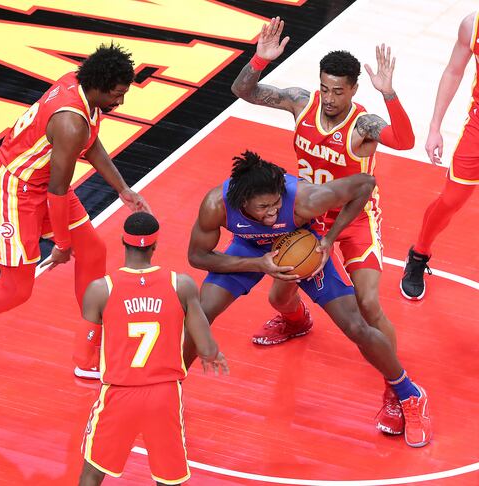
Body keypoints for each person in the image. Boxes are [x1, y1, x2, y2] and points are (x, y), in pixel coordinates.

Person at [0, 43, 150, 380]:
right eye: (118, 94)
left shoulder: (79, 88)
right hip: (15, 189)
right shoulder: (69, 123)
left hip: (41, 181)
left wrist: (123, 189)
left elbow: (90, 144)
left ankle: (90, 350)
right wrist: (61, 244)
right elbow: (57, 193)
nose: (121, 102)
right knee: (15, 289)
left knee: (94, 250)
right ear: (99, 85)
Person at [231, 16, 416, 436]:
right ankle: (297, 323)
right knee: (279, 296)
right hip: (307, 217)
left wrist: (390, 95)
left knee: (368, 306)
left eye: (339, 91)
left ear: (353, 89)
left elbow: (404, 142)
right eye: (325, 88)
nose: (330, 98)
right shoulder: (302, 103)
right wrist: (260, 60)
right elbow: (243, 91)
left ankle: (396, 387)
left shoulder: (364, 126)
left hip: (353, 221)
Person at [186, 150, 431, 448]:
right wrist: (259, 264)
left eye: (276, 203)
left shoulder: (305, 198)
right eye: (263, 207)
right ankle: (168, 388)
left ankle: (408, 393)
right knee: (201, 310)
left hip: (304, 247)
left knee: (356, 326)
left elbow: (366, 183)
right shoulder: (216, 205)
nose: (273, 212)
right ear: (242, 202)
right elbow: (197, 256)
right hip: (251, 249)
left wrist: (329, 238)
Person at [76, 212, 228, 486]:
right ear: (155, 245)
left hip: (119, 393)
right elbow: (205, 346)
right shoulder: (180, 284)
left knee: (93, 471)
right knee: (168, 478)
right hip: (164, 395)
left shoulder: (101, 290)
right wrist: (212, 354)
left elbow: (82, 356)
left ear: (124, 241)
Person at [401, 11, 479, 300]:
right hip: (478, 128)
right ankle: (419, 254)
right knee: (451, 200)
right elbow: (454, 71)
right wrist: (435, 127)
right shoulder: (472, 24)